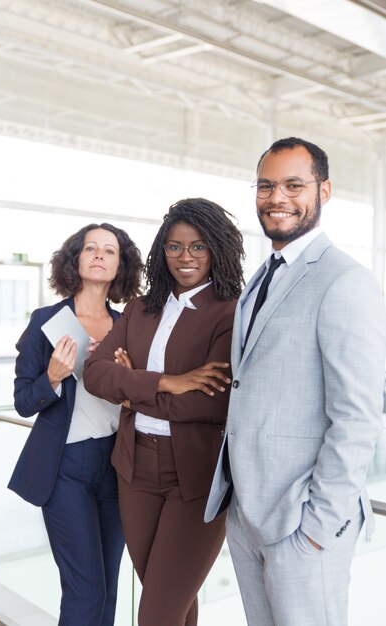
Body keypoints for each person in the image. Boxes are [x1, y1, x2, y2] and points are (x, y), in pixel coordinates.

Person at [205, 137, 386, 626]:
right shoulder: (263, 276)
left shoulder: (343, 280)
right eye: (265, 185)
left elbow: (358, 416)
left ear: (324, 190)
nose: (276, 197)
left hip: (303, 523)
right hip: (248, 513)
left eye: (293, 185)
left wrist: (318, 524)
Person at [83, 198, 245, 626]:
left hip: (195, 477)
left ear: (217, 249)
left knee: (155, 613)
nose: (185, 257)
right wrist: (168, 382)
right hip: (134, 468)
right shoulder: (139, 308)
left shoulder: (232, 313)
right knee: (170, 599)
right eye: (174, 247)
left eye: (197, 247)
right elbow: (95, 374)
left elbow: (212, 402)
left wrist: (132, 390)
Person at [8, 223, 143, 626]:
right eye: (90, 248)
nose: (99, 255)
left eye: (110, 251)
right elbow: (22, 402)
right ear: (76, 259)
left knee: (108, 590)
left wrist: (128, 376)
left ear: (121, 266)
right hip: (66, 467)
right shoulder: (46, 321)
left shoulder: (129, 328)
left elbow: (137, 400)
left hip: (117, 467)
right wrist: (51, 377)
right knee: (85, 591)